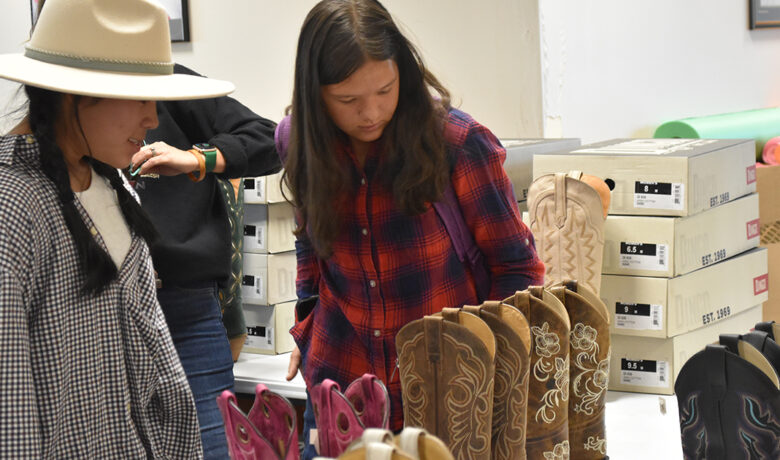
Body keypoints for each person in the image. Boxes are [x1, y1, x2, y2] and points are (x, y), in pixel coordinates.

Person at [280, 0, 545, 457]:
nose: (370, 112)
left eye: (385, 90)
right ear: (314, 94)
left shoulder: (457, 144)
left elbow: (518, 270)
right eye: (348, 100)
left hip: (448, 394)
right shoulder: (298, 140)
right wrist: (305, 324)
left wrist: (492, 378)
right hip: (339, 381)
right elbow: (310, 243)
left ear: (403, 69)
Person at [0, 0, 235, 457]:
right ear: (76, 94)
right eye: (140, 98)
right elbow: (9, 406)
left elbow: (155, 357)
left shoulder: (113, 184)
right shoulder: (13, 204)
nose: (152, 118)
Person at [129, 65, 281, 459]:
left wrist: (198, 159)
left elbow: (268, 139)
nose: (147, 118)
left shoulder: (171, 85)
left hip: (186, 309)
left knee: (212, 448)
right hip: (102, 311)